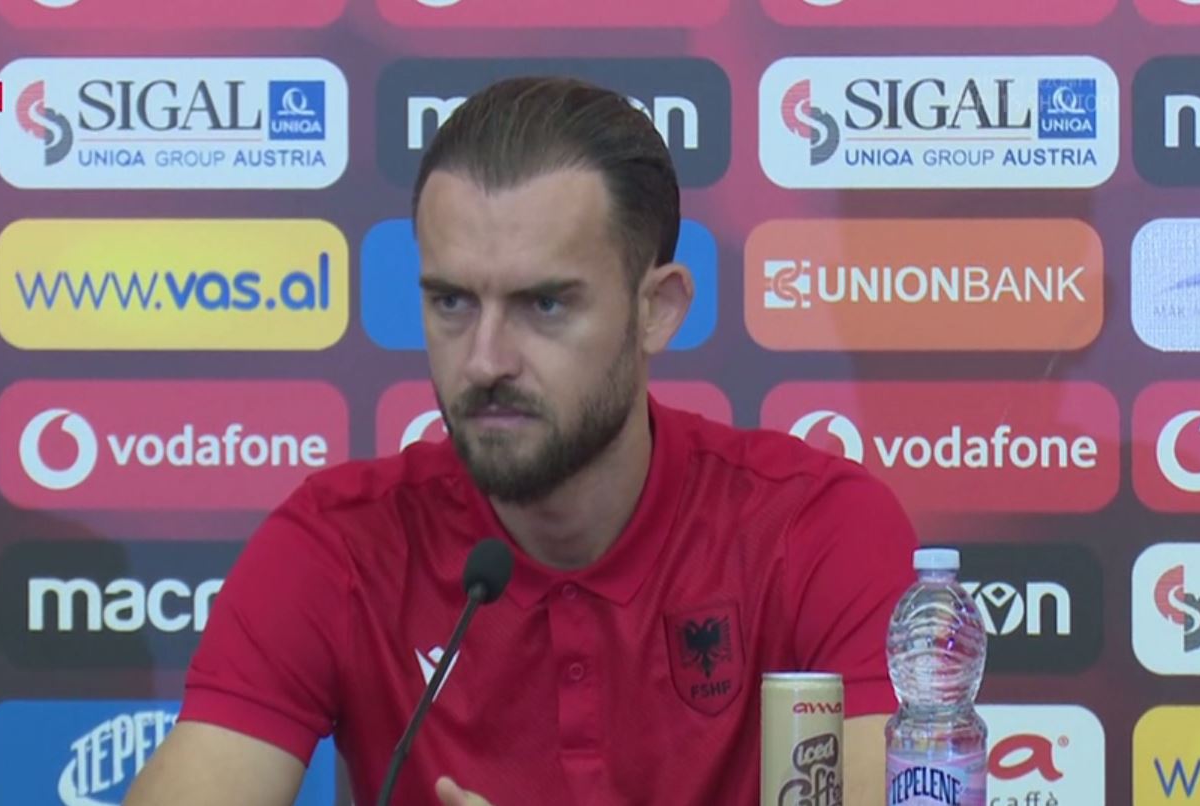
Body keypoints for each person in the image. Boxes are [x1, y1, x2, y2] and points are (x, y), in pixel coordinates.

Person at [124, 75, 918, 806]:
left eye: (544, 305)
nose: (485, 361)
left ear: (657, 309)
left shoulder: (816, 529)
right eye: (452, 302)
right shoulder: (342, 543)